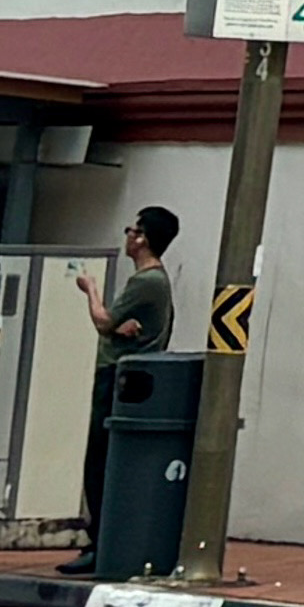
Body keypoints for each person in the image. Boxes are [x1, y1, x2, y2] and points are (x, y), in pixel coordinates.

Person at [78, 203, 179, 510]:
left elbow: (103, 320)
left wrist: (91, 289)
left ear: (142, 239)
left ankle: (98, 540)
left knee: (98, 460)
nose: (128, 236)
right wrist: (120, 328)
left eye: (132, 230)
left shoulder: (145, 282)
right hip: (133, 378)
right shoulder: (157, 283)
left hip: (115, 376)